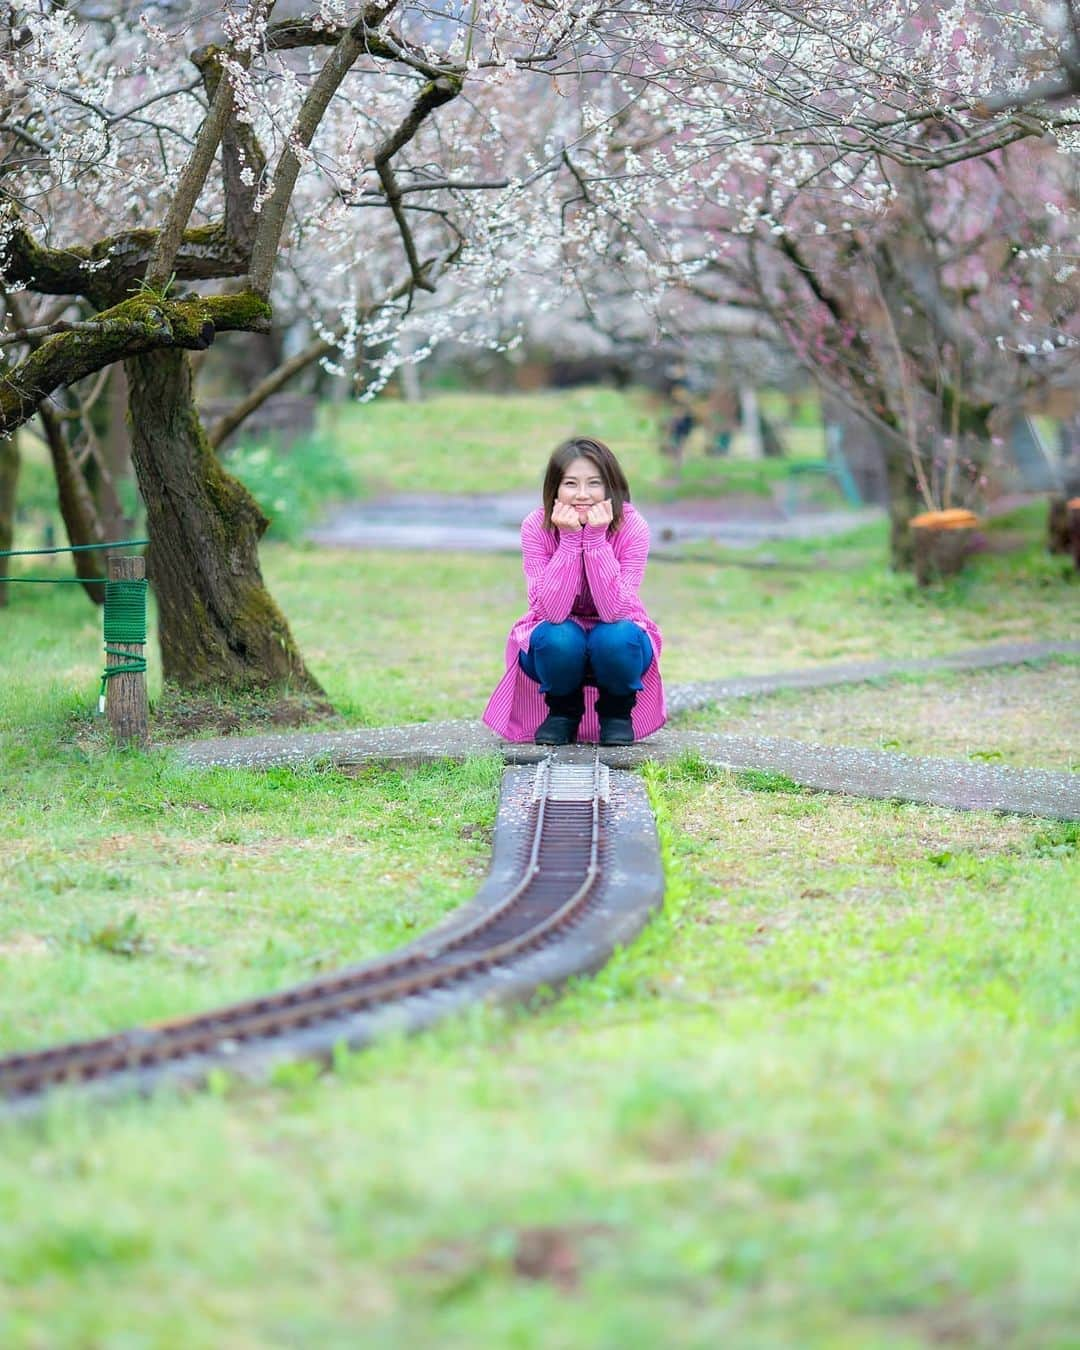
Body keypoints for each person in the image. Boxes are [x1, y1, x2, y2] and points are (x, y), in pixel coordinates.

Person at [483, 436, 666, 746]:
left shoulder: (633, 528)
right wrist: (569, 541)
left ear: (610, 487)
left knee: (616, 635)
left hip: (619, 635)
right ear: (555, 489)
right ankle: (563, 713)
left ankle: (616, 713)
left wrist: (594, 539)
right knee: (558, 634)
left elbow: (614, 610)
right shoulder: (535, 527)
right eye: (571, 484)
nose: (582, 495)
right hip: (557, 639)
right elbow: (551, 611)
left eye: (594, 483)